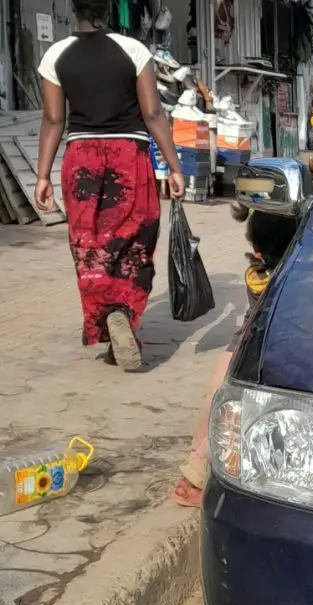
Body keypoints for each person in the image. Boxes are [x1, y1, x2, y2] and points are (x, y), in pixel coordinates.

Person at [172, 151, 313, 506]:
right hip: (273, 343)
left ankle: (195, 469)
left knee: (223, 377)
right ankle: (200, 474)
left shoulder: (258, 273)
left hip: (253, 335)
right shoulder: (306, 275)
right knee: (236, 393)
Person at [34, 0, 185, 372]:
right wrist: (175, 166)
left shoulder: (56, 54)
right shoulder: (133, 50)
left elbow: (54, 120)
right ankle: (124, 311)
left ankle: (105, 315)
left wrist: (41, 175)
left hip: (81, 158)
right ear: (109, 8)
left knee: (90, 244)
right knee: (136, 237)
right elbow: (153, 113)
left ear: (73, 8)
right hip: (128, 155)